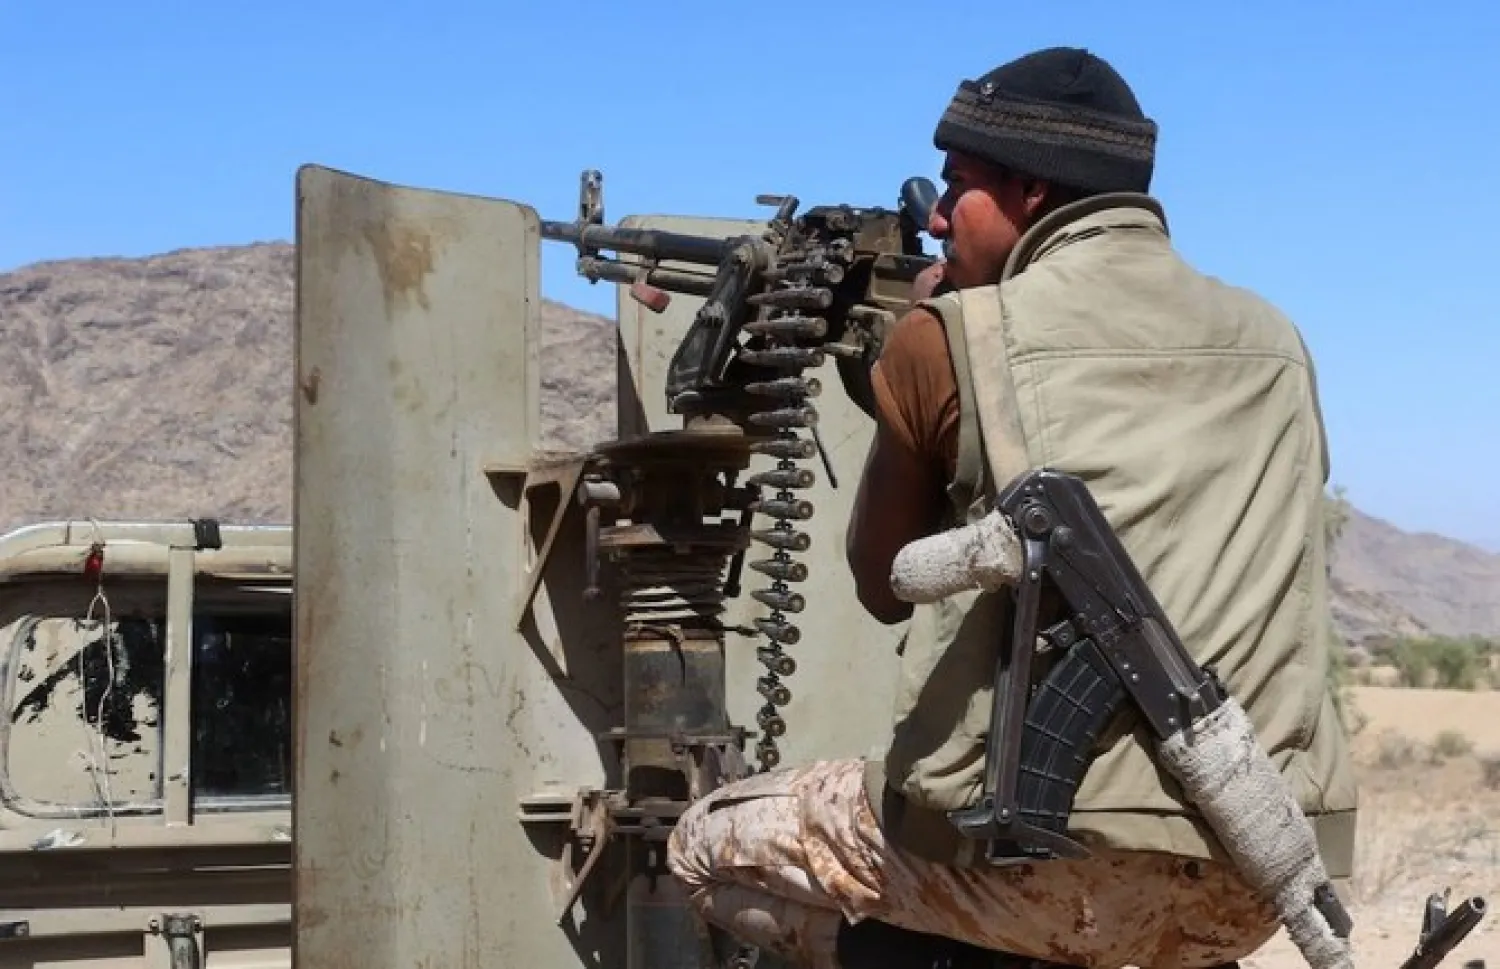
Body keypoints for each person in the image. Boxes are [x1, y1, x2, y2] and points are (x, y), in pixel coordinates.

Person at [667, 46, 1358, 969]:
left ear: (1033, 190)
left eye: (960, 186)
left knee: (704, 849)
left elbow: (881, 581)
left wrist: (911, 355)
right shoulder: (1279, 343)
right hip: (1251, 873)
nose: (943, 216)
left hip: (1040, 875)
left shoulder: (950, 335)